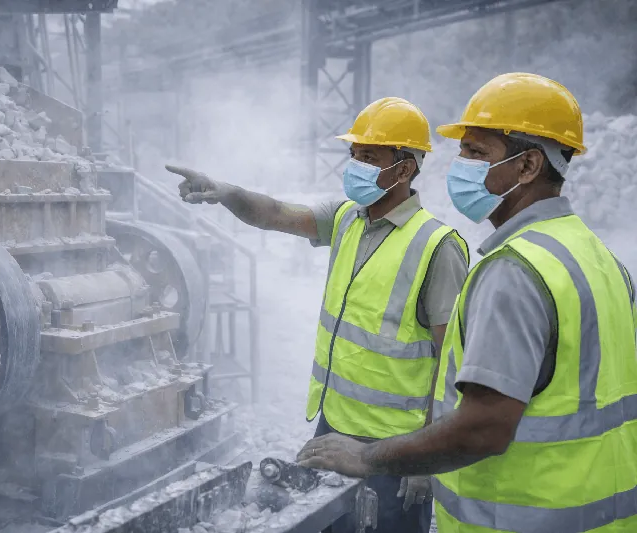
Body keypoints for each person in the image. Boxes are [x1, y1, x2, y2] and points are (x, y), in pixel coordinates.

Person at [297, 73, 637, 533]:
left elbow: (484, 427)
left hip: (519, 515)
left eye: (477, 152)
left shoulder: (515, 271)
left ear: (528, 165)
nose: (460, 165)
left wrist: (370, 455)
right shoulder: (600, 259)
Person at [167, 97, 470, 533]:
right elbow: (275, 214)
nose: (356, 165)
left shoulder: (437, 247)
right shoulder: (347, 218)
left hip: (393, 447)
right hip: (332, 429)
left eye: (369, 157)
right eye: (354, 155)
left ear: (404, 169)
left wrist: (425, 457)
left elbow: (452, 361)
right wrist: (227, 193)